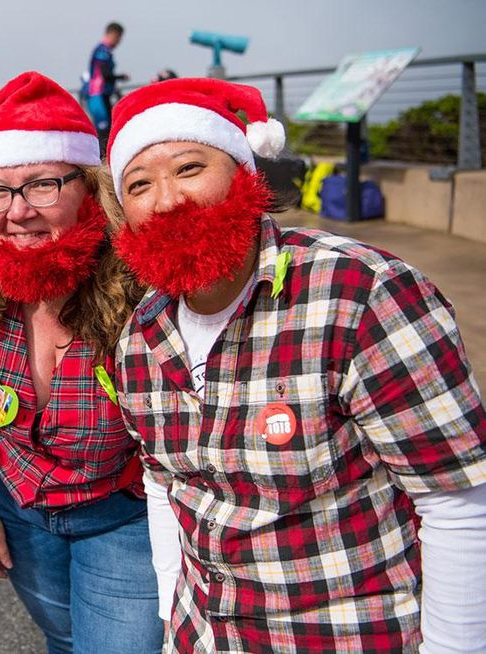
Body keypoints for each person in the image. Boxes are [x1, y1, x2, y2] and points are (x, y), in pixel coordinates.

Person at [105, 78, 486, 652]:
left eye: (189, 168)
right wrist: (168, 610)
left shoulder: (361, 294)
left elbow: (457, 500)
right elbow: (166, 488)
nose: (166, 200)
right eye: (139, 183)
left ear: (244, 172)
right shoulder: (141, 336)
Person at [0, 71, 163, 653]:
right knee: (63, 642)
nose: (18, 211)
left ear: (90, 188)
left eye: (42, 185)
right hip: (22, 515)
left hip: (122, 519)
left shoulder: (142, 287)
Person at [84, 22, 129, 152]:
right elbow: (105, 74)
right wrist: (121, 77)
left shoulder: (105, 50)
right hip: (96, 94)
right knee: (103, 131)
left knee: (109, 129)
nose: (119, 42)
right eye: (119, 38)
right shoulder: (102, 50)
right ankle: (101, 166)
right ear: (114, 34)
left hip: (104, 94)